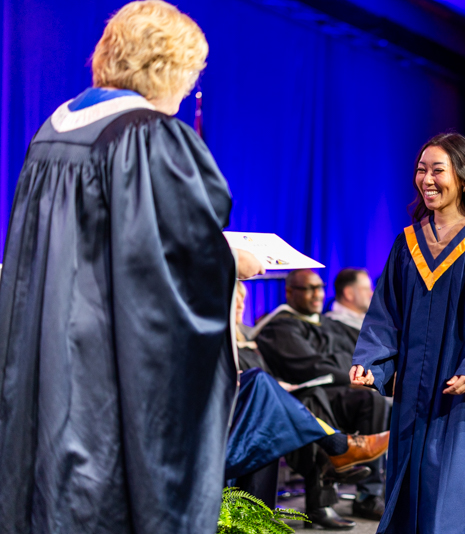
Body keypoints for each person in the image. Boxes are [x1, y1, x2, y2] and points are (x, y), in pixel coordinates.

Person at [0, 3, 265, 533]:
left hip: (48, 355)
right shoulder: (146, 135)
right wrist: (230, 260)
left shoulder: (52, 131)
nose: (192, 89)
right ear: (168, 65)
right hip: (109, 366)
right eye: (193, 75)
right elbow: (177, 259)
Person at [350, 132, 465, 534]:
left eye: (438, 170)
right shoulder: (408, 243)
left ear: (464, 177)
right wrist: (372, 362)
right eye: (421, 170)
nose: (427, 179)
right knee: (413, 484)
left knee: (459, 492)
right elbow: (386, 312)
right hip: (416, 390)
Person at [256, 269, 390, 525]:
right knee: (315, 399)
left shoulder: (328, 324)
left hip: (338, 393)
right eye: (309, 288)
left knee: (372, 401)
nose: (317, 294)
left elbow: (354, 356)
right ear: (290, 292)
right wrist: (350, 376)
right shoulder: (280, 325)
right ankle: (323, 497)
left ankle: (369, 496)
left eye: (319, 287)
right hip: (301, 395)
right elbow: (310, 367)